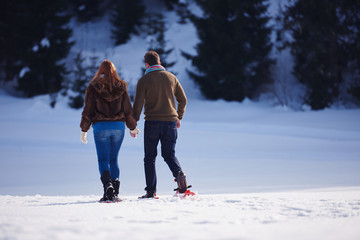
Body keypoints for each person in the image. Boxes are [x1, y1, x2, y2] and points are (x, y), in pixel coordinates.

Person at [80, 60, 140, 202]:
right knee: (113, 159)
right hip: (119, 127)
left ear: (100, 71)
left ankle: (108, 186)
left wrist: (84, 129)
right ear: (114, 71)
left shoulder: (93, 86)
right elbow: (127, 109)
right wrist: (132, 126)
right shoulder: (121, 86)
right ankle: (115, 191)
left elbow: (88, 110)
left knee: (103, 159)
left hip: (100, 127)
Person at [132, 50, 189, 198]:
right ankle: (179, 175)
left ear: (146, 64)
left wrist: (133, 124)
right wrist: (179, 117)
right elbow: (183, 99)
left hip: (152, 123)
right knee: (169, 154)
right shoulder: (172, 77)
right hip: (170, 123)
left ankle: (151, 192)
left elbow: (137, 105)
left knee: (150, 158)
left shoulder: (144, 80)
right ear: (159, 62)